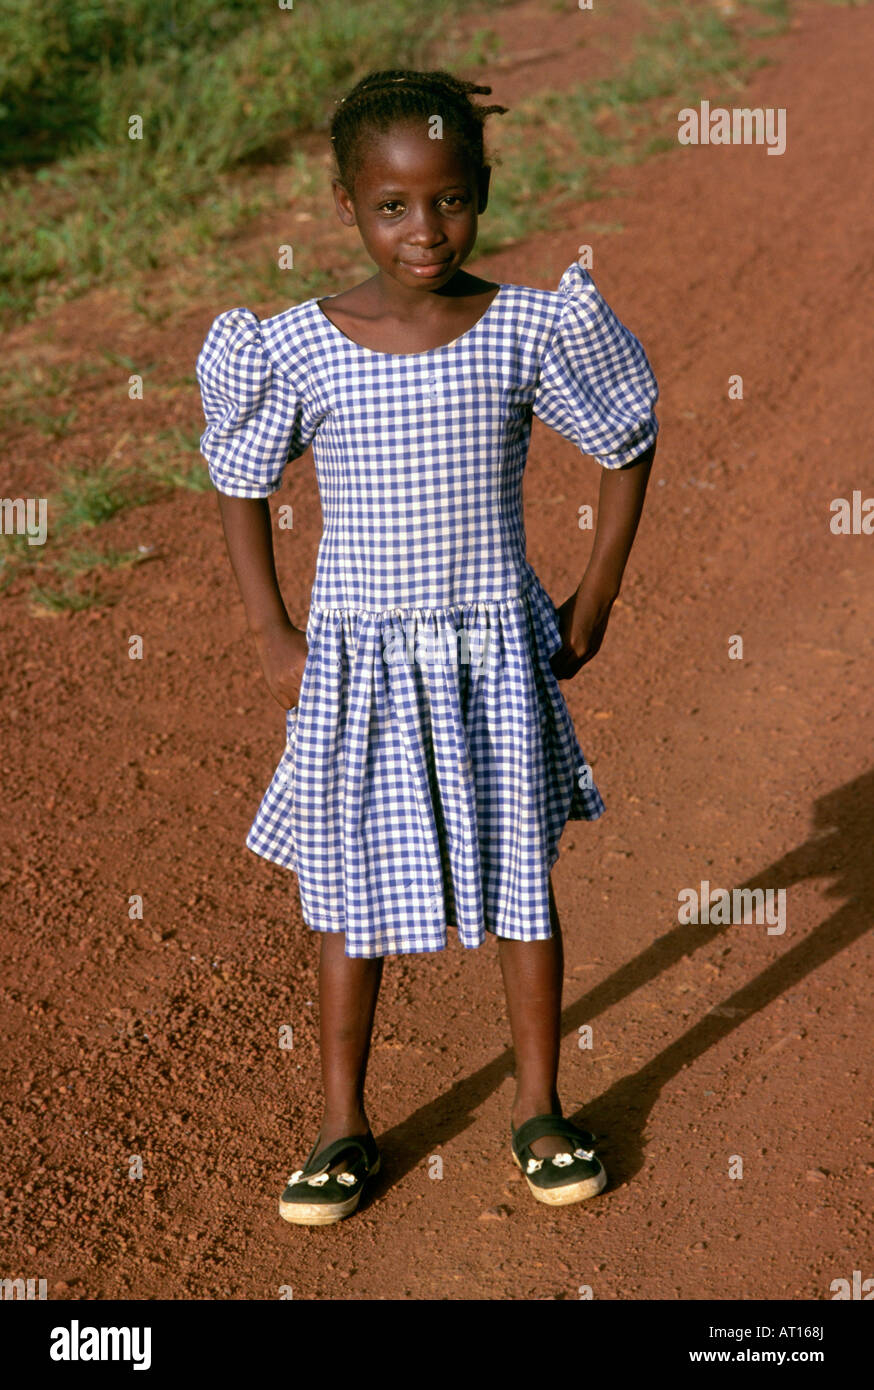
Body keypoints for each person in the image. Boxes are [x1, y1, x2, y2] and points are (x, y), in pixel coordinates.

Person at [196, 68, 659, 1226]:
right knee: (349, 891)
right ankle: (342, 1124)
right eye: (392, 206)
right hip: (357, 664)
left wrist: (592, 595)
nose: (424, 230)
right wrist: (270, 628)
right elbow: (239, 474)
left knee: (521, 884)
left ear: (483, 190)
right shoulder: (299, 347)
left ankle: (542, 1106)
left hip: (494, 655)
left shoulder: (525, 328)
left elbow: (627, 431)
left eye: (448, 201)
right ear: (346, 202)